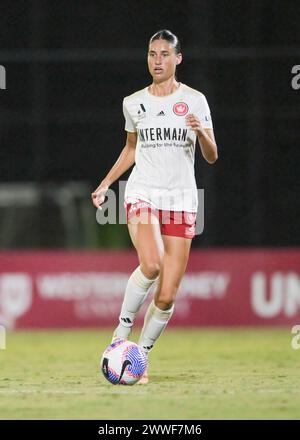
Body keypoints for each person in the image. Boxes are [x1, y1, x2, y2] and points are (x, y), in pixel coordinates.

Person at [92, 29, 218, 384]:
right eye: (152, 54)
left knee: (166, 295)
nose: (157, 60)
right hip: (143, 193)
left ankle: (139, 357)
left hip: (181, 200)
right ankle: (120, 335)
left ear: (178, 59)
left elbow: (211, 156)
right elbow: (131, 149)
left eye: (165, 54)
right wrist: (105, 184)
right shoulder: (133, 102)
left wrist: (203, 132)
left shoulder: (195, 101)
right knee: (151, 263)